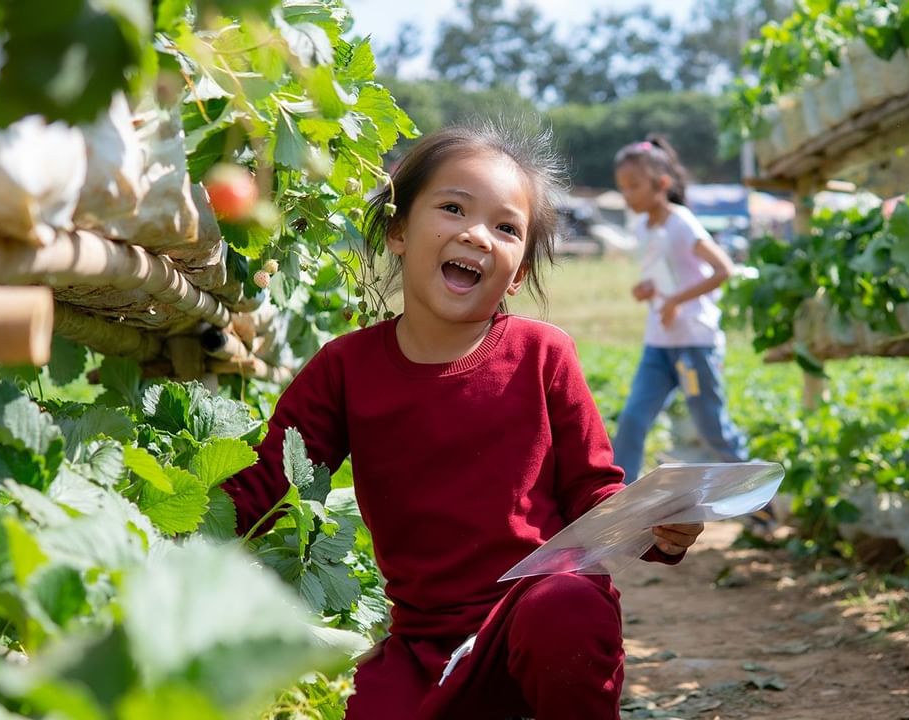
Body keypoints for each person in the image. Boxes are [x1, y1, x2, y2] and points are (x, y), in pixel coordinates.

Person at [222, 122, 705, 720]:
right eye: (453, 208)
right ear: (399, 230)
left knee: (567, 609)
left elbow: (591, 493)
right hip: (426, 644)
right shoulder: (345, 370)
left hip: (537, 610)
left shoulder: (542, 355)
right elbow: (267, 481)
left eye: (507, 228)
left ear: (520, 271)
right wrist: (167, 536)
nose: (478, 235)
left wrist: (653, 526)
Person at [611, 136, 750, 485]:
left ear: (662, 184)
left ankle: (756, 499)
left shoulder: (682, 223)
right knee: (632, 419)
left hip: (694, 344)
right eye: (622, 187)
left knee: (712, 428)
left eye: (634, 186)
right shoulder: (643, 226)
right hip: (658, 344)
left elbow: (723, 270)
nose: (627, 195)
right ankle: (614, 502)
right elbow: (662, 280)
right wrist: (649, 292)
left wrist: (675, 301)